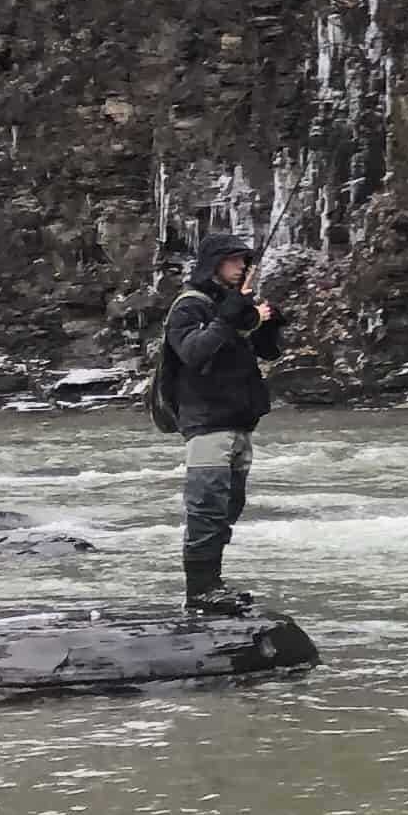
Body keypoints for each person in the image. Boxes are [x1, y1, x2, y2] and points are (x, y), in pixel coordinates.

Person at [161, 237, 289, 616]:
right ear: (213, 264)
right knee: (207, 507)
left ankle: (213, 584)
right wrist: (233, 314)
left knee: (229, 506)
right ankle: (199, 591)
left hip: (239, 423)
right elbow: (194, 351)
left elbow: (268, 352)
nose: (240, 267)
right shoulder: (188, 307)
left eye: (243, 261)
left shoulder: (232, 308)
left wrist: (266, 323)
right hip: (206, 423)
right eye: (233, 260)